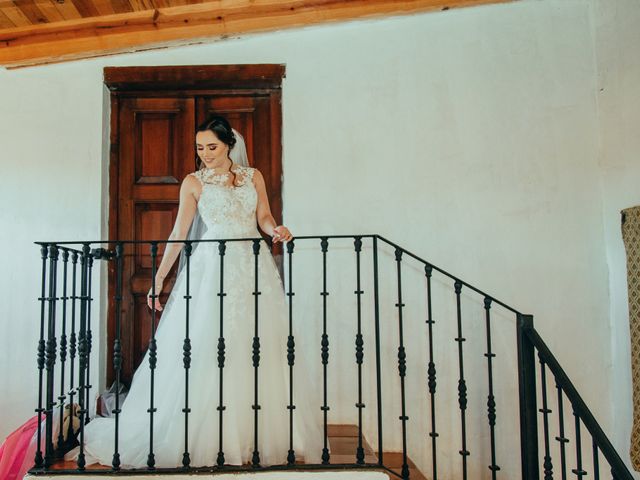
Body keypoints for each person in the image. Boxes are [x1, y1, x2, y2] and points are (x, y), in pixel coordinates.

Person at [64, 115, 324, 469]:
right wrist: (159, 278)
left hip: (252, 265)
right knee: (207, 342)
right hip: (211, 269)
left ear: (229, 144)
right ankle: (205, 434)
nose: (205, 154)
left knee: (255, 343)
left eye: (212, 147)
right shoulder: (193, 183)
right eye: (199, 148)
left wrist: (276, 229)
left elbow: (262, 215)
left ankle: (252, 434)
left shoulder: (253, 176)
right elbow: (178, 234)